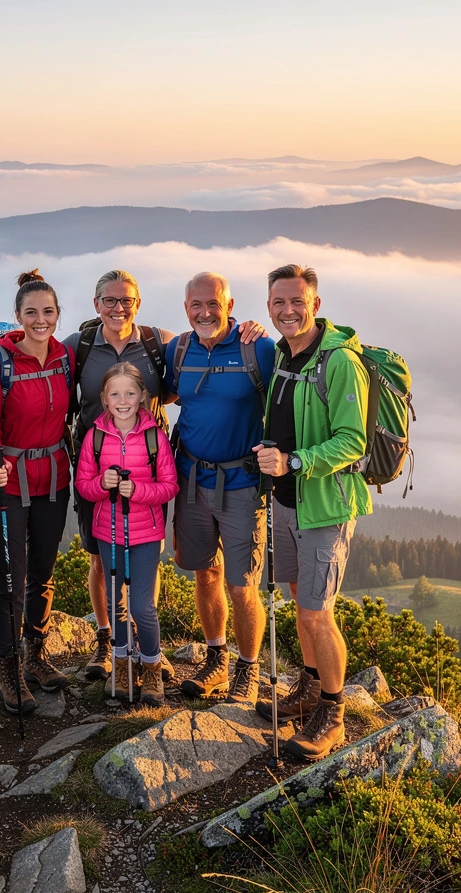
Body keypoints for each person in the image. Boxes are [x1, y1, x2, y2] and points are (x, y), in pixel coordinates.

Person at [64, 269, 266, 682]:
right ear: (96, 303)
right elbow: (43, 359)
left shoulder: (164, 344)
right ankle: (110, 644)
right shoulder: (82, 346)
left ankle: (158, 648)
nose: (119, 308)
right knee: (102, 562)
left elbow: (178, 387)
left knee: (157, 563)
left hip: (163, 471)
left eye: (127, 300)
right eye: (110, 300)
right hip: (100, 465)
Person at [253, 264, 372, 759]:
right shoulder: (283, 353)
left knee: (317, 613)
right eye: (278, 302)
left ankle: (333, 711)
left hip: (324, 504)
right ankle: (307, 688)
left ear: (316, 305)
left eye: (297, 301)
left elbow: (353, 440)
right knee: (301, 596)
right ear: (268, 306)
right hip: (286, 500)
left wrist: (295, 461)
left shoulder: (339, 362)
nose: (287, 311)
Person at [165, 272, 276, 705]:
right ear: (186, 308)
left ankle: (247, 669)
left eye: (214, 304)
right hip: (190, 479)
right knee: (204, 572)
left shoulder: (258, 348)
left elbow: (284, 401)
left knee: (241, 583)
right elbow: (164, 394)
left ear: (230, 306)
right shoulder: (178, 350)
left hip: (243, 483)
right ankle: (216, 658)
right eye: (196, 305)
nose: (205, 312)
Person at [0, 270, 75, 714]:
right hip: (10, 481)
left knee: (43, 572)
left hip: (55, 479)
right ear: (17, 316)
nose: (41, 320)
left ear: (58, 315)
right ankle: (8, 666)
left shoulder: (64, 357)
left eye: (49, 312)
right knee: (10, 581)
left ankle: (36, 652)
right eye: (31, 312)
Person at [75, 363, 178, 706]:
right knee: (114, 604)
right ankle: (121, 665)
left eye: (130, 393)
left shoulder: (155, 436)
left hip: (146, 534)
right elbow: (83, 487)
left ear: (143, 397)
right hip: (109, 531)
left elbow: (169, 486)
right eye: (115, 394)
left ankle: (150, 666)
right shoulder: (95, 436)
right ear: (103, 399)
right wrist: (101, 485)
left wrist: (137, 491)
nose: (123, 400)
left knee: (142, 606)